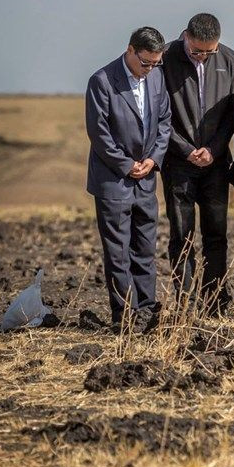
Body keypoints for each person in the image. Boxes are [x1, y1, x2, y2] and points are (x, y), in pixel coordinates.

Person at [85, 27, 172, 333]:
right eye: (145, 62)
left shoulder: (158, 77)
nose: (150, 69)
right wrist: (126, 164)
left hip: (146, 178)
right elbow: (99, 133)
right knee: (118, 251)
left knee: (146, 247)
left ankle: (148, 311)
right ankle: (125, 315)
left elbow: (164, 123)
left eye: (155, 63)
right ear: (131, 51)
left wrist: (153, 160)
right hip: (113, 180)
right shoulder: (102, 81)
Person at [160, 13, 234, 315]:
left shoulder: (229, 59)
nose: (203, 57)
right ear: (185, 37)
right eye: (197, 51)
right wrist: (185, 149)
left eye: (210, 52)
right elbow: (159, 113)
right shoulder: (165, 58)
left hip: (216, 163)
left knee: (216, 233)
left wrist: (214, 149)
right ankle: (183, 304)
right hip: (178, 163)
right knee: (182, 234)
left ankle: (214, 303)